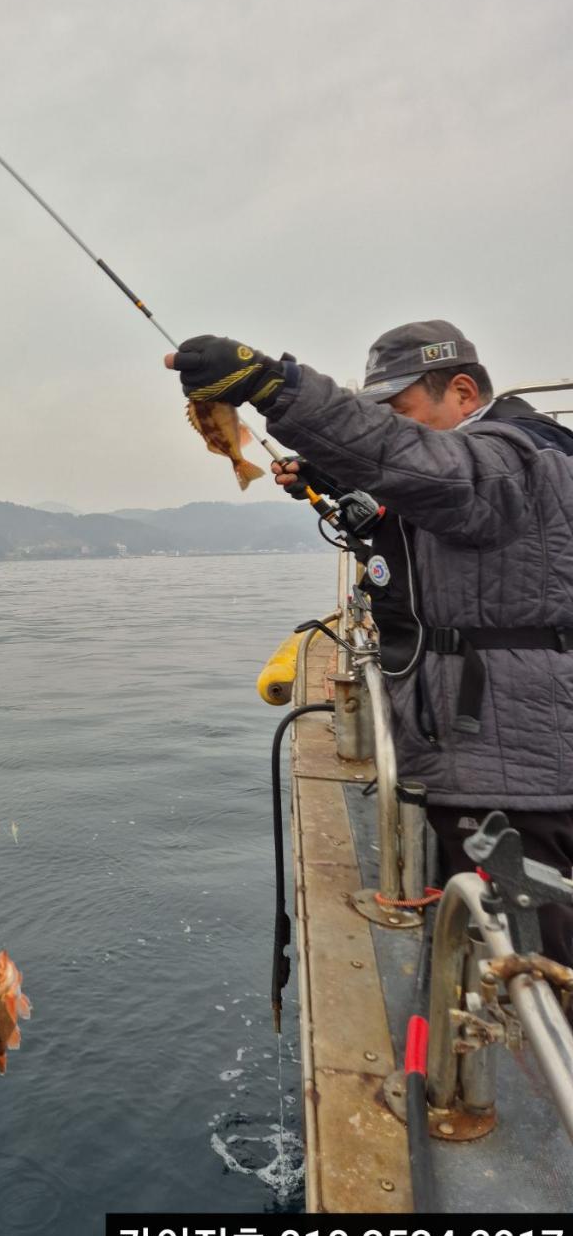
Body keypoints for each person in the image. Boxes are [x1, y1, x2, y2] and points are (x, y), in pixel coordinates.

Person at [166, 321, 573, 968]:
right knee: (479, 947)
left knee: (537, 975)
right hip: (474, 757)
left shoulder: (517, 454)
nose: (398, 431)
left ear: (463, 392)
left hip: (515, 776)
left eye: (402, 413)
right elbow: (432, 517)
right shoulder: (484, 470)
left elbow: (422, 467)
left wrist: (278, 388)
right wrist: (339, 489)